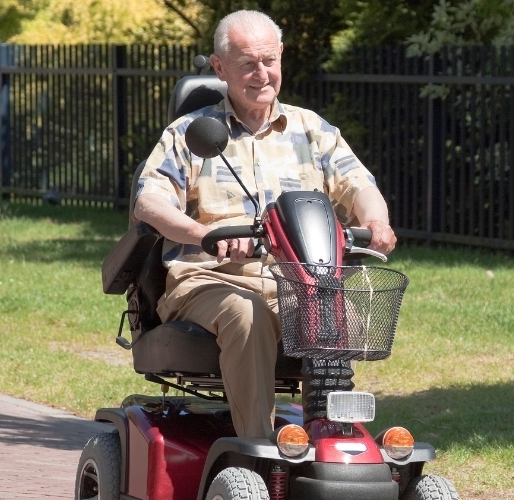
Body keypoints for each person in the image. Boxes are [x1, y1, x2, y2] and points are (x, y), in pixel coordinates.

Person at [132, 9, 397, 439]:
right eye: (247, 64)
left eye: (269, 61)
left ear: (281, 57)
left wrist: (376, 221)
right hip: (207, 279)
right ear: (219, 68)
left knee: (335, 310)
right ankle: (255, 451)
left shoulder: (312, 130)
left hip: (297, 278)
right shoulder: (191, 133)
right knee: (245, 314)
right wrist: (204, 236)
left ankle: (328, 436)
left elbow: (357, 183)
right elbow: (150, 201)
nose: (261, 74)